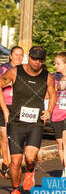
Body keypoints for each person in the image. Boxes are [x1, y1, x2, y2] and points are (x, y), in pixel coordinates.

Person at [0, 46, 56, 194]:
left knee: (30, 158)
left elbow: (53, 95)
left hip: (35, 123)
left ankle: (30, 171)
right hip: (16, 122)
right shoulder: (15, 72)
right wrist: (5, 110)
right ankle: (16, 190)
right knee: (16, 161)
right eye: (34, 58)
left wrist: (49, 110)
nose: (37, 62)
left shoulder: (47, 77)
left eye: (40, 60)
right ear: (29, 57)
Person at [0, 46, 24, 178]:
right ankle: (6, 163)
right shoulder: (4, 68)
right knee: (4, 135)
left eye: (21, 55)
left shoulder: (25, 70)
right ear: (10, 56)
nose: (18, 57)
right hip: (4, 104)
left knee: (17, 136)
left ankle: (15, 164)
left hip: (19, 106)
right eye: (16, 54)